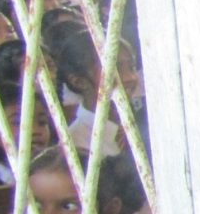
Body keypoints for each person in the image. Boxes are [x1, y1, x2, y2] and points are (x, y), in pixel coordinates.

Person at [56, 28, 140, 159]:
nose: (130, 77)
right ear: (79, 82)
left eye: (132, 67)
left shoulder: (141, 122)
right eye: (115, 69)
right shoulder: (75, 144)